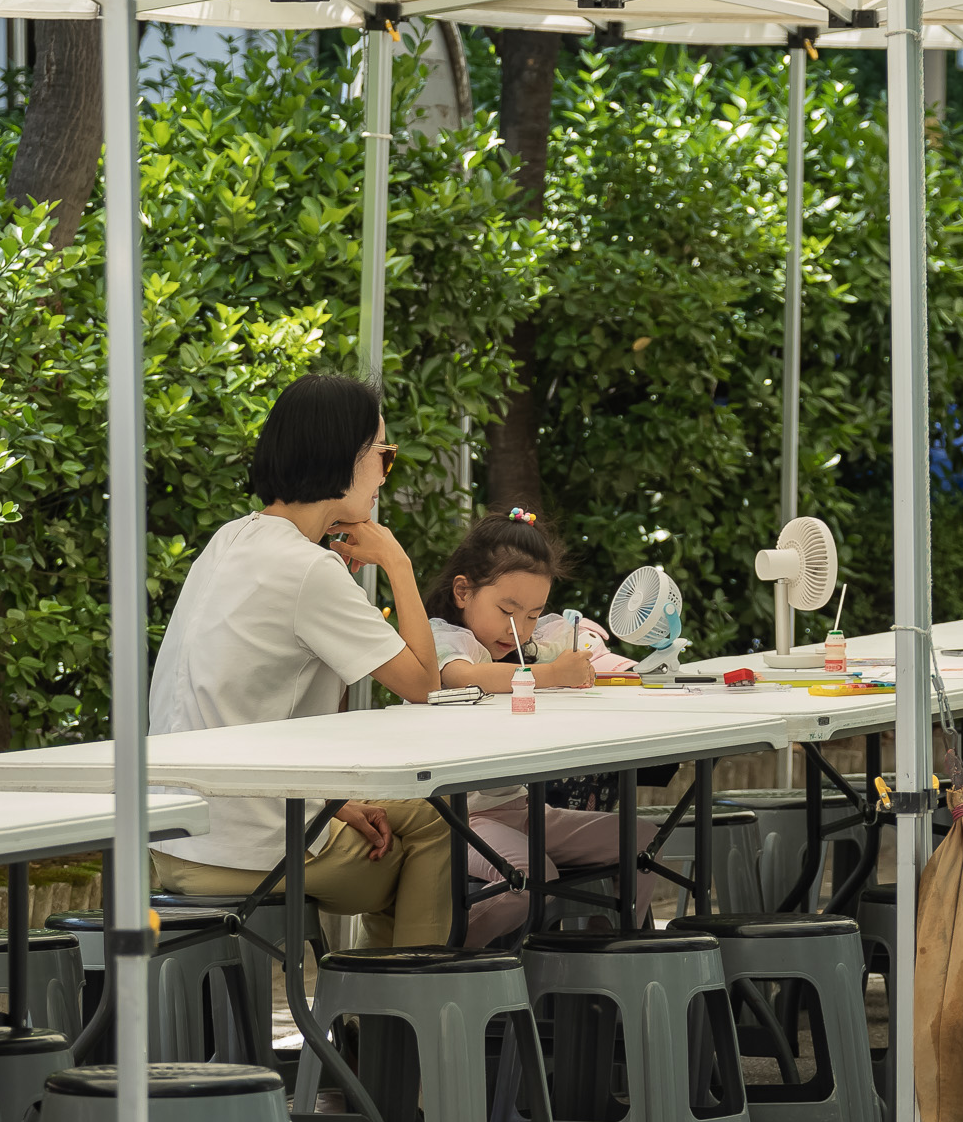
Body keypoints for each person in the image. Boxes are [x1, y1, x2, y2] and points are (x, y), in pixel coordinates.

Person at [146, 375, 456, 945]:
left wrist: (333, 804)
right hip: (245, 848)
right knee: (436, 828)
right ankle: (396, 1015)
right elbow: (424, 684)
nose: (385, 474)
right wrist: (397, 561)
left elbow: (255, 712)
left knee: (404, 819)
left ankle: (369, 1010)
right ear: (346, 459)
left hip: (173, 837)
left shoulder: (229, 541)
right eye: (384, 457)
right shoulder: (310, 569)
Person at [423, 508, 657, 944]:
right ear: (462, 591)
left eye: (532, 615)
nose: (519, 629)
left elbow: (575, 653)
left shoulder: (525, 647)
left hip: (519, 809)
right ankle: (439, 953)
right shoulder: (445, 638)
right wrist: (547, 675)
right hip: (454, 813)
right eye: (507, 610)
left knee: (641, 842)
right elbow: (459, 677)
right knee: (531, 876)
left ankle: (605, 955)